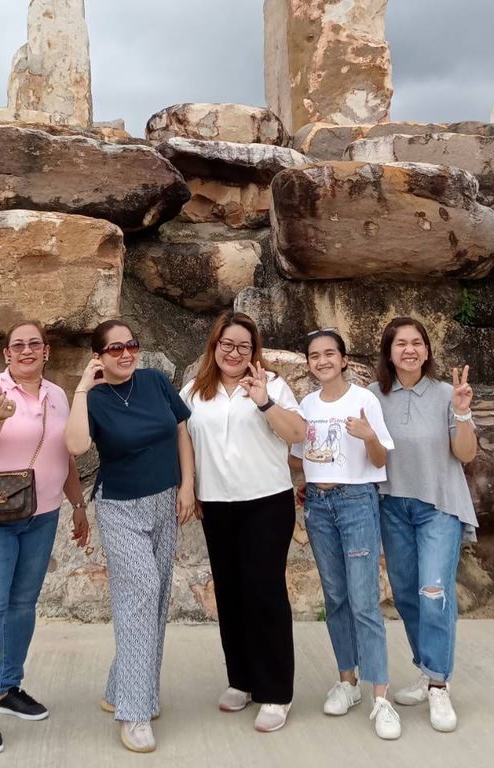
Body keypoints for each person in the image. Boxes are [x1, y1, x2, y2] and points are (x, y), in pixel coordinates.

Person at [0, 321, 89, 756]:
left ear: (46, 351)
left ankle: (7, 687)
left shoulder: (58, 395)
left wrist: (78, 505)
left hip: (42, 513)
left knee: (22, 605)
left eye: (35, 344)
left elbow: (65, 455)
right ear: (7, 354)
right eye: (18, 345)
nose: (27, 350)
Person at [65, 319, 196, 754]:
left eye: (131, 345)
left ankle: (119, 687)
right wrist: (82, 387)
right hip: (120, 507)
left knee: (155, 599)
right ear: (98, 357)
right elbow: (76, 446)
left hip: (164, 499)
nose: (126, 354)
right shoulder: (94, 399)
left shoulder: (155, 382)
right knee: (141, 591)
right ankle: (134, 712)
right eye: (115, 349)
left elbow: (181, 429)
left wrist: (187, 485)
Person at [181, 311, 306, 734]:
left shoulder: (272, 385)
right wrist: (189, 486)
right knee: (230, 592)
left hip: (266, 502)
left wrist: (264, 400)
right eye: (227, 344)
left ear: (254, 351)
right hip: (217, 504)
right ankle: (242, 679)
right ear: (214, 346)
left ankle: (276, 691)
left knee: (264, 592)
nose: (234, 353)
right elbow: (185, 440)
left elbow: (298, 434)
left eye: (243, 346)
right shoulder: (194, 392)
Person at [369, 316, 479, 734]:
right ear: (389, 351)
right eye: (401, 343)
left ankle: (438, 685)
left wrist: (462, 413)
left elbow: (465, 454)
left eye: (417, 342)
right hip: (392, 507)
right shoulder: (372, 396)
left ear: (427, 350)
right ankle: (426, 668)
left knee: (434, 594)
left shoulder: (448, 394)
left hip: (438, 506)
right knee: (407, 597)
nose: (409, 349)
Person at [291, 329, 401, 740]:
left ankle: (381, 697)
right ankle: (347, 681)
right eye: (314, 355)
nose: (322, 361)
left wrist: (369, 436)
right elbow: (298, 456)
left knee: (364, 600)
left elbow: (380, 459)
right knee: (335, 596)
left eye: (329, 354)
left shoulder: (363, 400)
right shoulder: (306, 404)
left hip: (356, 502)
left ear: (343, 359)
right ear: (309, 363)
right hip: (318, 506)